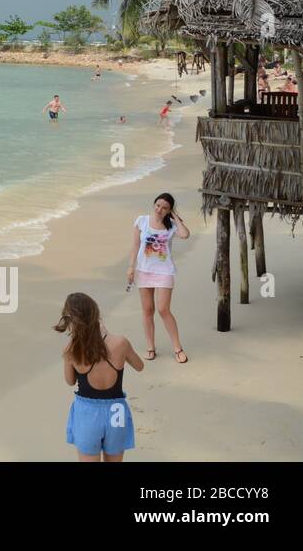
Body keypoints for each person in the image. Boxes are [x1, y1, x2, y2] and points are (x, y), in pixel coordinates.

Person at [55, 292, 144, 462]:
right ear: (96, 314)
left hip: (87, 414)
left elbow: (70, 381)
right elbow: (139, 366)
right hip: (116, 413)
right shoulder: (120, 343)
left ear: (70, 320)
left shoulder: (71, 350)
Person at [127, 193, 191, 363]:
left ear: (169, 210)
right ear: (153, 204)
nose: (159, 210)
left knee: (163, 309)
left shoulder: (171, 226)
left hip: (164, 271)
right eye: (158, 205)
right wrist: (131, 267)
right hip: (144, 270)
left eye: (164, 208)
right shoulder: (141, 221)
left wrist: (175, 217)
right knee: (147, 310)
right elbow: (134, 247)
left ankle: (178, 348)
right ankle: (150, 347)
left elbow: (185, 234)